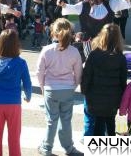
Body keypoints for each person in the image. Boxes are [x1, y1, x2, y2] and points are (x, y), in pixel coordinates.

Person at [36, 18, 82, 156]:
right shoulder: (74, 51)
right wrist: (73, 85)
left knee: (51, 121)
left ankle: (47, 148)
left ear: (53, 33)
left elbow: (39, 71)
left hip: (51, 88)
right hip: (67, 88)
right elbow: (79, 72)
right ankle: (69, 148)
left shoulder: (47, 50)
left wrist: (42, 87)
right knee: (66, 120)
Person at [0, 29, 32, 156]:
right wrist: (28, 94)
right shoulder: (21, 63)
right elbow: (27, 82)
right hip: (14, 103)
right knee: (14, 137)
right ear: (16, 44)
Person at [81, 23, 127, 136]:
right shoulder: (120, 58)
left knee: (98, 124)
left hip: (95, 96)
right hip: (113, 97)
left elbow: (87, 76)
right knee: (111, 123)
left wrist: (84, 91)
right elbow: (123, 81)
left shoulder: (93, 55)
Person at [58, 0, 131, 40]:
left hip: (105, 40)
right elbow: (72, 8)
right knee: (90, 58)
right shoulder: (84, 5)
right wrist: (63, 5)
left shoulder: (109, 4)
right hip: (88, 41)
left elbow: (120, 3)